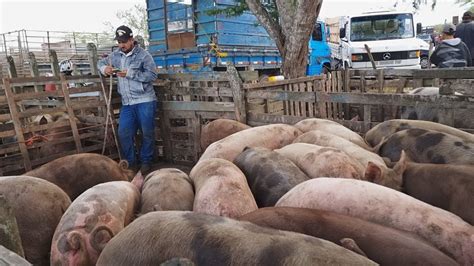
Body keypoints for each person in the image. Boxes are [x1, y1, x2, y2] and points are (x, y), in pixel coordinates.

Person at [97, 25, 158, 175]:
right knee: (124, 132)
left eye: (124, 41)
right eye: (119, 41)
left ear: (132, 40)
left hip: (145, 99)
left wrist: (130, 74)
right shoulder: (115, 55)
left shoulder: (144, 56)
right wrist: (105, 69)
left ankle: (146, 161)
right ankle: (130, 163)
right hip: (127, 102)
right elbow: (101, 63)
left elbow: (152, 75)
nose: (121, 45)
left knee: (147, 132)